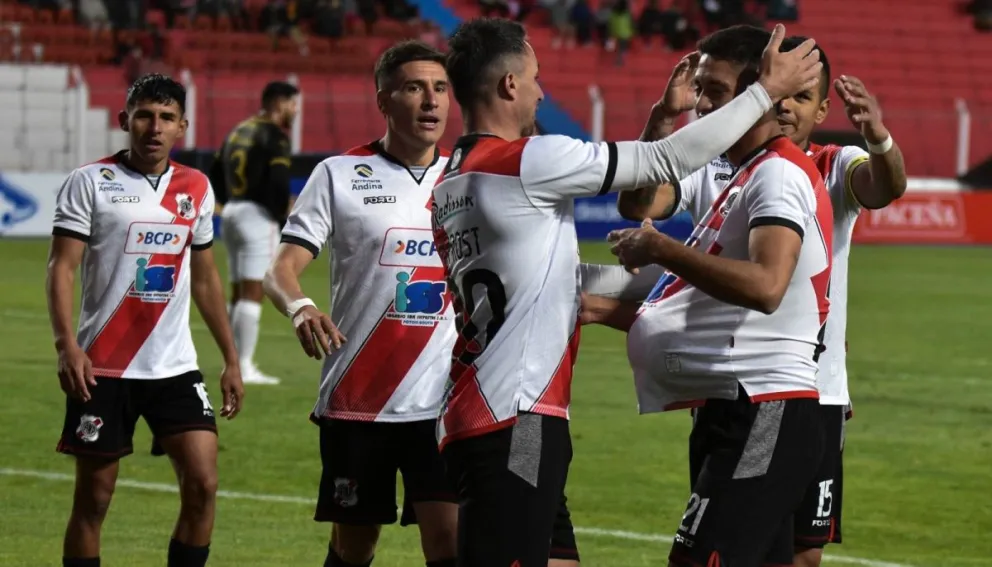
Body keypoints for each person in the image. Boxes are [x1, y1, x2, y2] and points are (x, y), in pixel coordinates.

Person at [433, 17, 822, 567]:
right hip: (517, 416)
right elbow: (661, 164)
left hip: (482, 408)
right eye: (536, 77)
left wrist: (659, 270)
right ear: (510, 86)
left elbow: (558, 284)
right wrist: (765, 92)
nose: (543, 91)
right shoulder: (529, 159)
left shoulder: (450, 183)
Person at [594, 36, 907, 567]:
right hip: (729, 381)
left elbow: (883, 187)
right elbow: (640, 202)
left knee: (796, 553)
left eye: (802, 99)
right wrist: (663, 122)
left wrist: (878, 136)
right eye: (782, 95)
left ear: (822, 109)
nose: (786, 107)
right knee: (750, 542)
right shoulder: (720, 163)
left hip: (802, 387)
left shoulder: (824, 165)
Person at [263, 41, 459, 567]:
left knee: (450, 542)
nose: (431, 102)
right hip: (359, 398)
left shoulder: (467, 177)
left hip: (443, 401)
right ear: (384, 98)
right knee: (356, 547)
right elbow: (280, 271)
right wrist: (300, 307)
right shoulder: (338, 174)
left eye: (440, 88)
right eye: (415, 88)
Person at [47, 73, 244, 567]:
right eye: (144, 116)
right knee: (93, 500)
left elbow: (205, 280)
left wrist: (231, 358)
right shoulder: (89, 182)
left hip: (173, 366)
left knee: (203, 484)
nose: (154, 127)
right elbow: (62, 266)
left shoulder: (196, 187)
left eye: (166, 118)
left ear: (183, 126)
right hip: (103, 367)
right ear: (125, 121)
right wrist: (66, 344)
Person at [209, 81, 299, 385]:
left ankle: (232, 361)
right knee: (253, 291)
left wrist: (227, 201)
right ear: (278, 102)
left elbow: (215, 171)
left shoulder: (238, 130)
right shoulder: (274, 136)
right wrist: (280, 211)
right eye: (293, 103)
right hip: (257, 217)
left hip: (232, 212)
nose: (295, 111)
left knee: (238, 291)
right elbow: (278, 180)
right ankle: (244, 366)